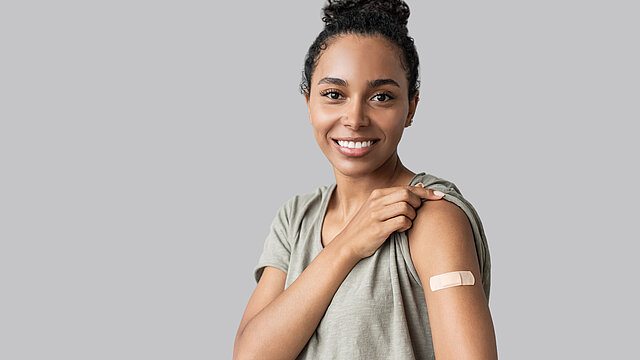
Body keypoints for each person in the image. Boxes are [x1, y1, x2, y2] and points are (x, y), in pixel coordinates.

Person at [233, 0, 497, 359]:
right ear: (309, 102)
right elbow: (249, 355)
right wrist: (347, 245)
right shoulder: (295, 218)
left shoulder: (433, 216)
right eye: (333, 95)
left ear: (411, 107)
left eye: (381, 97)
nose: (354, 118)